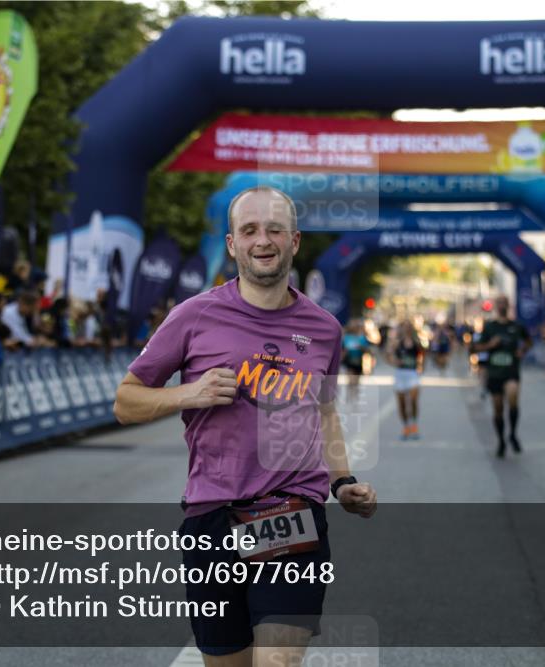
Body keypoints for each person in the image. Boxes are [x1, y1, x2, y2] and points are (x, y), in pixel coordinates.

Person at [113, 186, 376, 667]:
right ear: (232, 244)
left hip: (290, 509)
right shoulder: (193, 316)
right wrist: (187, 394)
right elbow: (126, 401)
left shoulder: (323, 328)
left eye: (275, 229)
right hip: (211, 514)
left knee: (276, 661)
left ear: (294, 241)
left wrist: (343, 480)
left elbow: (324, 411)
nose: (263, 240)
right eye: (249, 230)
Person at [471, 295, 532, 458]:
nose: (502, 306)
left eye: (505, 303)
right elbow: (476, 348)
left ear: (509, 305)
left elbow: (528, 341)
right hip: (495, 373)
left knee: (512, 397)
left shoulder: (516, 326)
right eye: (499, 303)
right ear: (496, 306)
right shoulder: (490, 327)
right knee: (498, 409)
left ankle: (512, 434)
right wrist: (491, 345)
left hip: (511, 371)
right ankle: (501, 441)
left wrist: (522, 351)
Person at [387, 319, 424, 440]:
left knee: (413, 401)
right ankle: (406, 427)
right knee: (402, 404)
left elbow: (423, 354)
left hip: (412, 374)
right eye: (404, 327)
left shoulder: (416, 341)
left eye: (408, 327)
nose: (406, 329)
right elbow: (388, 356)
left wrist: (421, 366)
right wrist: (394, 361)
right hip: (400, 374)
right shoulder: (397, 343)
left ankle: (414, 426)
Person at [341, 318, 369, 401]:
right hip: (349, 361)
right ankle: (350, 394)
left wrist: (361, 348)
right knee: (351, 380)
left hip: (358, 361)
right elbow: (342, 349)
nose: (354, 327)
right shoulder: (346, 337)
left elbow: (367, 351)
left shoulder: (362, 338)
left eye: (356, 326)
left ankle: (355, 394)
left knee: (356, 381)